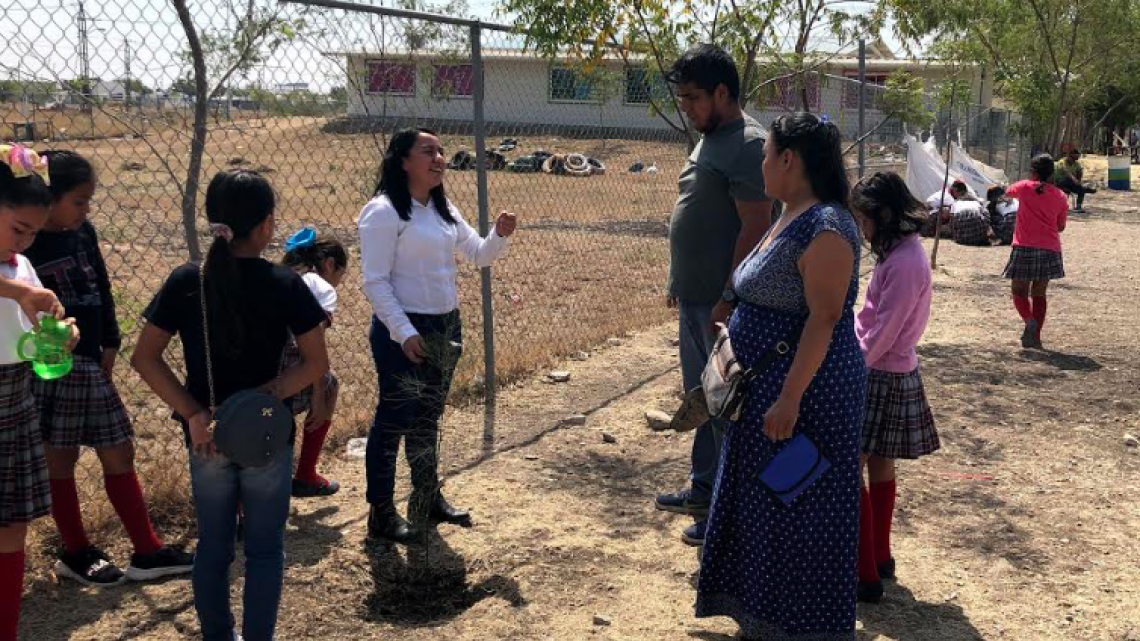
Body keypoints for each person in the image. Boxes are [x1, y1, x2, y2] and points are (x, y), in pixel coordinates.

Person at [131, 169, 329, 641]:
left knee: (214, 549)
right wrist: (270, 394)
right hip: (265, 434)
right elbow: (315, 362)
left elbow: (144, 358)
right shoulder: (286, 283)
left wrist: (194, 413)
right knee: (263, 550)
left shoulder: (186, 281)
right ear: (266, 225)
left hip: (206, 438)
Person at [695, 114, 866, 640]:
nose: (761, 164)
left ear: (789, 159)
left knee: (798, 504)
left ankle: (802, 627)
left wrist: (789, 398)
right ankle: (761, 618)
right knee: (764, 507)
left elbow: (825, 318)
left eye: (766, 154)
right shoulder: (788, 214)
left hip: (807, 395)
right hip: (764, 390)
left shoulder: (828, 227)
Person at [24, 150, 194, 586]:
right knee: (58, 459)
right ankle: (75, 551)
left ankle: (146, 549)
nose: (86, 211)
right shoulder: (26, 246)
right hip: (52, 367)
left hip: (91, 362)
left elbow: (100, 284)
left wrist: (112, 341)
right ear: (48, 197)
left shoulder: (84, 235)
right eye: (79, 201)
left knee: (119, 447)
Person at [358, 128, 517, 544]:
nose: (440, 157)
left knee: (428, 418)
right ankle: (381, 512)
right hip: (404, 331)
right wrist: (404, 332)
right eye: (428, 151)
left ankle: (427, 498)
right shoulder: (384, 211)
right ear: (403, 161)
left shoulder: (444, 210)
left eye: (441, 150)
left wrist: (499, 235)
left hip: (444, 326)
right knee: (393, 422)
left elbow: (479, 255)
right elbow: (375, 282)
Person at [654, 43, 773, 548]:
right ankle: (704, 487)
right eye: (681, 98)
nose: (686, 107)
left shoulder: (748, 143)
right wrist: (677, 281)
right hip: (695, 297)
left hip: (723, 305)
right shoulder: (710, 138)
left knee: (726, 406)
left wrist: (729, 293)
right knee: (702, 399)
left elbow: (755, 225)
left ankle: (727, 512)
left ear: (723, 93)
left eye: (693, 97)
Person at [0, 144, 79, 641]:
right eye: (17, 229)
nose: (25, 242)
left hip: (14, 398)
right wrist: (18, 293)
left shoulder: (21, 268)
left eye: (33, 232)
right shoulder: (17, 280)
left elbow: (31, 325)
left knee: (11, 528)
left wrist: (60, 332)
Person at [849, 172, 940, 603]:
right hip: (889, 369)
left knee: (852, 467)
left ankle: (864, 573)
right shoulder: (901, 253)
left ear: (883, 215)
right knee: (881, 463)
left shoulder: (904, 263)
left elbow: (884, 330)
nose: (862, 229)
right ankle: (880, 558)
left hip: (879, 372)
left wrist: (852, 365)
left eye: (864, 220)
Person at [280, 228, 348, 498]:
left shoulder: (280, 275)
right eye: (341, 275)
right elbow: (312, 351)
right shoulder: (320, 288)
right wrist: (319, 396)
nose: (338, 282)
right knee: (329, 383)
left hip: (249, 372)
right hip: (283, 377)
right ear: (330, 265)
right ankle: (306, 474)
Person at [1002, 155, 1069, 349]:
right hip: (1050, 249)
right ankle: (1036, 337)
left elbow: (1007, 192)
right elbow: (1060, 227)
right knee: (1039, 293)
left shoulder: (1024, 187)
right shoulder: (1060, 196)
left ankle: (1029, 320)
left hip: (1024, 247)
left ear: (1033, 172)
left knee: (1019, 291)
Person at [946, 182, 992, 246]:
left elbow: (952, 221)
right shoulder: (976, 202)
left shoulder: (955, 203)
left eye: (953, 191)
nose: (952, 194)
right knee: (984, 213)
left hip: (962, 238)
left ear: (957, 191)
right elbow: (986, 215)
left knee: (953, 219)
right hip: (978, 232)